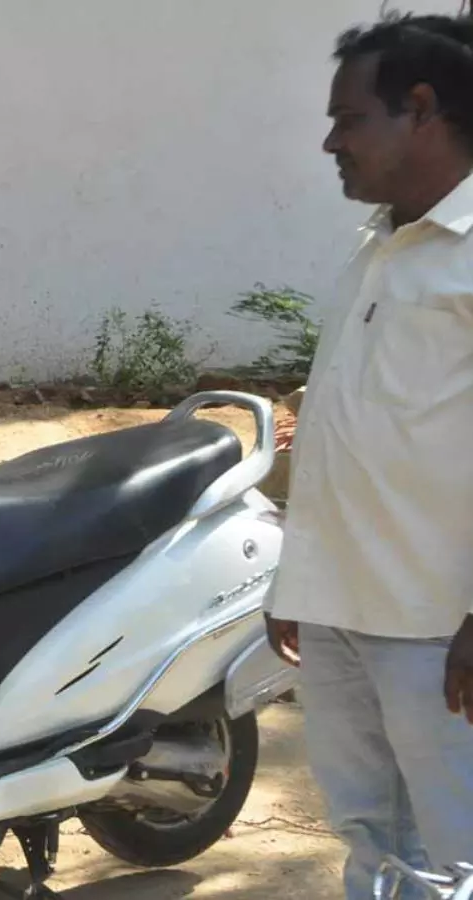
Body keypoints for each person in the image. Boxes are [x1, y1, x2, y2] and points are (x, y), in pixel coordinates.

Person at [264, 13, 473, 899]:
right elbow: (345, 428)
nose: (330, 143)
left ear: (419, 108)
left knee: (459, 850)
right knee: (374, 844)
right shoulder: (381, 246)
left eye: (348, 119)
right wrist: (298, 583)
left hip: (437, 628)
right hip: (341, 609)